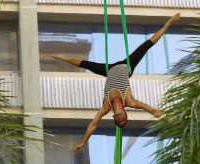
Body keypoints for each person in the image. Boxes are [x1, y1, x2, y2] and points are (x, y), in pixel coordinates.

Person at [50, 13, 181, 155]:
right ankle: (169, 23)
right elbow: (154, 111)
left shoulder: (106, 105)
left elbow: (93, 124)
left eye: (118, 120)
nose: (120, 118)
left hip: (109, 70)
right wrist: (171, 121)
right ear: (125, 114)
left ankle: (62, 57)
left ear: (114, 117)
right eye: (123, 119)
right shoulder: (130, 102)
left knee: (85, 64)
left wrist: (83, 142)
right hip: (127, 66)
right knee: (146, 45)